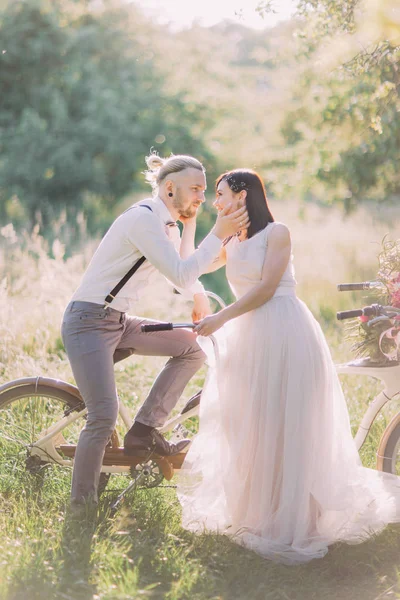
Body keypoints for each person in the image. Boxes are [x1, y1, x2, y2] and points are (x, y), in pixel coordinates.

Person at [177, 168, 400, 565]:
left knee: (288, 423)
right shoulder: (231, 237)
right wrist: (196, 224)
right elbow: (189, 267)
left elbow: (265, 289)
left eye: (221, 193)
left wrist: (220, 319)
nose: (216, 201)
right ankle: (259, 515)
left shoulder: (277, 233)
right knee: (250, 424)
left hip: (284, 331)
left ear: (243, 194)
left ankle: (301, 519)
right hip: (249, 339)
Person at [61, 154, 249, 508]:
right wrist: (217, 233)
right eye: (195, 189)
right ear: (169, 188)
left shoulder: (168, 225)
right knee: (103, 414)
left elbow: (185, 272)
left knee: (192, 347)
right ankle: (81, 508)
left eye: (203, 190)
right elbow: (180, 273)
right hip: (88, 320)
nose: (201, 198)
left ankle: (144, 430)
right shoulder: (143, 219)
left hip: (117, 321)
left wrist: (200, 281)